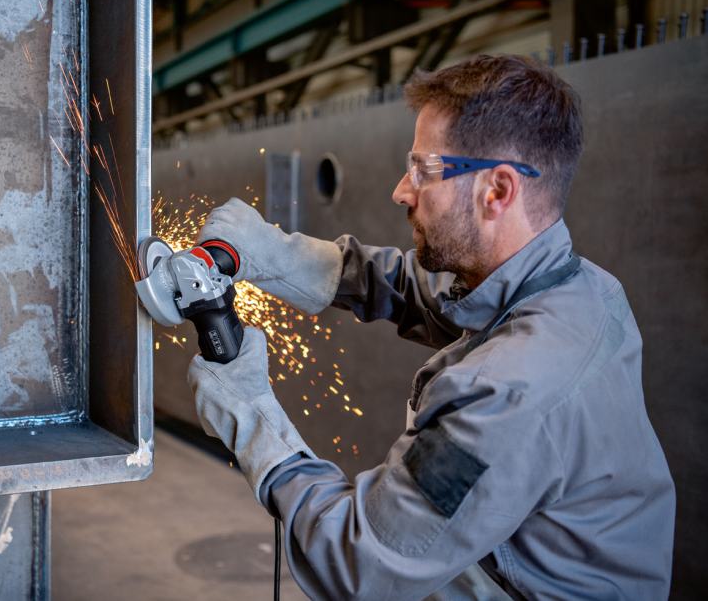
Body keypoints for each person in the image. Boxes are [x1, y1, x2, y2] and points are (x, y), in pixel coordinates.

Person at [186, 55, 675, 600]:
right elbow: (423, 292)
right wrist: (275, 254)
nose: (402, 190)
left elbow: (357, 564)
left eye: (424, 170)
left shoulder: (508, 396)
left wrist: (250, 414)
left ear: (497, 190)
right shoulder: (580, 288)